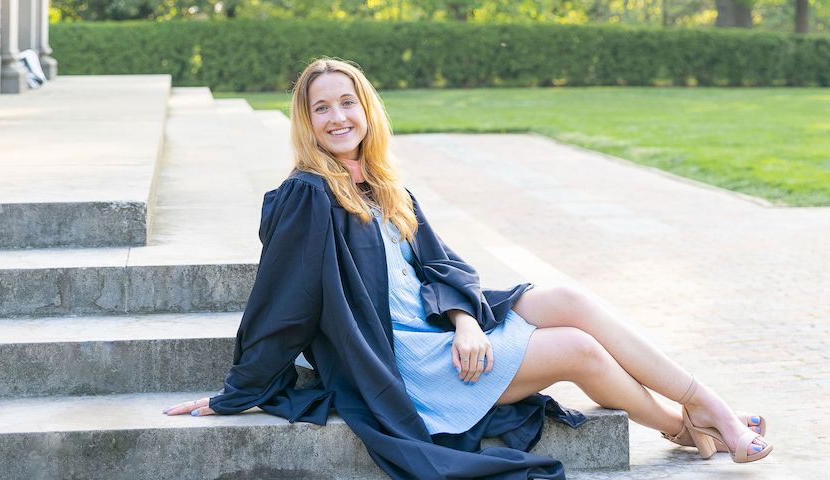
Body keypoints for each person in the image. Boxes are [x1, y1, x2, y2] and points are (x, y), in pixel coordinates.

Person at [165, 57, 772, 479]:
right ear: (307, 122)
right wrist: (234, 395)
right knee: (578, 352)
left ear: (367, 109)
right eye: (321, 108)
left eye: (347, 101)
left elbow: (441, 262)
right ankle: (688, 423)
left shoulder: (382, 183)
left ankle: (706, 413)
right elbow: (282, 305)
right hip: (405, 361)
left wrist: (463, 319)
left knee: (566, 300)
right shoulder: (308, 196)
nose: (337, 117)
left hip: (441, 331)